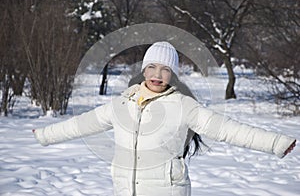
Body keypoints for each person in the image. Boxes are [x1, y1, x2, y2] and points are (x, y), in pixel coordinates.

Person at [33, 41, 296, 196]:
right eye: (152, 67)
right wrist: (45, 135)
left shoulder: (183, 106)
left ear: (174, 74)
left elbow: (228, 129)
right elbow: (82, 124)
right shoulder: (122, 104)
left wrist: (276, 143)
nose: (157, 74)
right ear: (143, 69)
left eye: (166, 69)